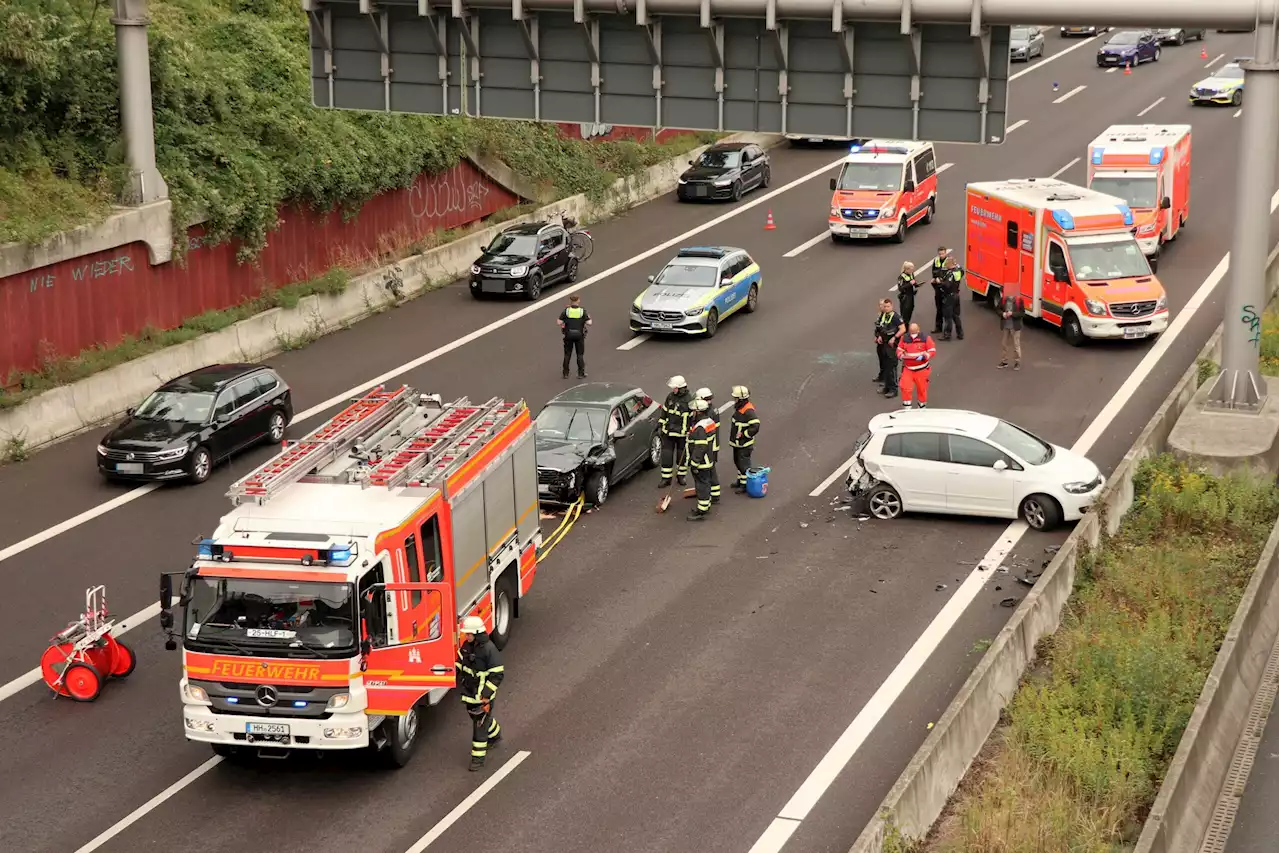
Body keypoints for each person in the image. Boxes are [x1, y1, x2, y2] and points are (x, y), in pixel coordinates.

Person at [456, 615, 504, 771]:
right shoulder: (467, 645)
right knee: (477, 718)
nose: (466, 636)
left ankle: (477, 760)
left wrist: (486, 695)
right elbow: (461, 661)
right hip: (469, 693)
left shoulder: (489, 650)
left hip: (482, 697)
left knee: (479, 727)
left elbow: (497, 674)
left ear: (476, 634)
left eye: (468, 634)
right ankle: (495, 735)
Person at [658, 375, 695, 487]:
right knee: (667, 455)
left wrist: (690, 430)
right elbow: (664, 412)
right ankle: (666, 478)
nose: (673, 389)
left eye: (675, 388)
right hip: (668, 432)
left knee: (681, 456)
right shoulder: (670, 397)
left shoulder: (689, 400)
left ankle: (681, 476)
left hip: (682, 434)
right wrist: (661, 424)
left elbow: (692, 417)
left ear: (681, 388)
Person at [686, 398, 716, 521]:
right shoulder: (709, 422)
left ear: (698, 412)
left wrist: (694, 463)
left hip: (701, 462)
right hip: (708, 459)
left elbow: (700, 447)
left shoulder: (700, 428)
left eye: (693, 411)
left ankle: (701, 510)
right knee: (706, 482)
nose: (692, 413)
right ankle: (706, 504)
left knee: (701, 485)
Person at [896, 323, 936, 409]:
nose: (912, 335)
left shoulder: (926, 338)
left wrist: (925, 356)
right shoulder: (905, 338)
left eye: (914, 332)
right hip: (908, 369)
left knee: (922, 389)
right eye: (911, 332)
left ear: (918, 330)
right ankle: (907, 408)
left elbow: (932, 350)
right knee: (905, 388)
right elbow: (899, 349)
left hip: (922, 369)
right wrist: (900, 355)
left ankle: (921, 408)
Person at [729, 385, 760, 492]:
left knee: (743, 464)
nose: (734, 400)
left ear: (740, 399)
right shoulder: (741, 408)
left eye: (736, 398)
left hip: (744, 444)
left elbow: (755, 426)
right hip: (738, 443)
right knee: (737, 462)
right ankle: (740, 481)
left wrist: (744, 435)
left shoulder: (748, 411)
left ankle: (745, 485)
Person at [874, 298, 906, 398]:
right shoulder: (883, 315)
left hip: (892, 345)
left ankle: (893, 389)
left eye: (888, 306)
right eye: (885, 306)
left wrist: (894, 337)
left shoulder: (896, 316)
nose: (886, 308)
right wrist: (878, 336)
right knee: (885, 366)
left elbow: (903, 329)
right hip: (883, 343)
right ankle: (887, 387)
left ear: (891, 306)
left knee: (891, 367)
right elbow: (881, 327)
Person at [695, 388, 721, 503]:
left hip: (709, 447)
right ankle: (714, 494)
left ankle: (710, 495)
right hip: (713, 445)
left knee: (708, 471)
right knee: (711, 470)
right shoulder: (712, 409)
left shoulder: (708, 413)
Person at [557, 294, 591, 378]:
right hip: (579, 335)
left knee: (567, 354)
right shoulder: (582, 311)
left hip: (568, 335)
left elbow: (559, 322)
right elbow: (589, 323)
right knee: (580, 354)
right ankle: (580, 373)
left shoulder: (566, 311)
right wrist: (588, 317)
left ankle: (565, 374)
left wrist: (565, 321)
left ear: (571, 301)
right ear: (578, 301)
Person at [998, 286, 1025, 370]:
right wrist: (1003, 314)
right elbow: (998, 309)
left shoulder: (1019, 300)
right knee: (1004, 344)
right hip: (1006, 325)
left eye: (1002, 293)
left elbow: (1022, 313)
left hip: (1015, 326)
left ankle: (1017, 362)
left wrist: (1012, 313)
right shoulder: (1003, 300)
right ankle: (1004, 361)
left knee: (1016, 345)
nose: (1001, 295)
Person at [940, 257, 964, 341]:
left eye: (947, 264)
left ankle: (947, 334)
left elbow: (947, 285)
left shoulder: (950, 274)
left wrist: (941, 282)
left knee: (948, 317)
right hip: (956, 295)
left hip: (949, 296)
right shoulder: (959, 271)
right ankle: (960, 333)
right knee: (956, 315)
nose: (946, 266)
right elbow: (962, 271)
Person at [930, 246, 950, 333]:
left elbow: (949, 273)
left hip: (945, 287)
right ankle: (938, 327)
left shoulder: (949, 261)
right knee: (939, 309)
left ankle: (947, 330)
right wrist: (935, 278)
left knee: (946, 310)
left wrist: (941, 279)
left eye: (943, 253)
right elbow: (934, 271)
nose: (941, 255)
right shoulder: (936, 260)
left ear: (946, 253)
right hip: (938, 287)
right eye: (940, 254)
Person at [897, 261, 920, 326]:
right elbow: (900, 288)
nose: (912, 271)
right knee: (905, 312)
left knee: (911, 309)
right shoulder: (901, 277)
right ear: (907, 269)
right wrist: (910, 284)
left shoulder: (911, 274)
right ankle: (904, 326)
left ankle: (907, 323)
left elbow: (913, 282)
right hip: (905, 296)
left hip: (911, 295)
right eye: (911, 269)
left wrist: (916, 284)